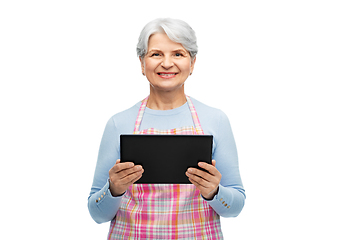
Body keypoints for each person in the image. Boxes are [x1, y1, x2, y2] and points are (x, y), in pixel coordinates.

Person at [88, 18, 246, 239]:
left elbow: (236, 207)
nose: (167, 63)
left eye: (178, 54)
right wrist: (114, 188)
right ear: (142, 64)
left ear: (192, 63)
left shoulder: (215, 120)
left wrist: (214, 192)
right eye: (156, 54)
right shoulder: (119, 123)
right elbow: (97, 214)